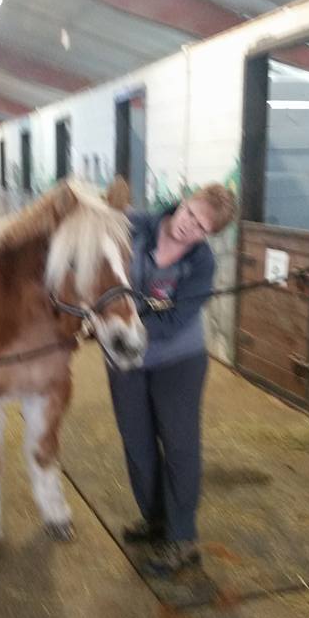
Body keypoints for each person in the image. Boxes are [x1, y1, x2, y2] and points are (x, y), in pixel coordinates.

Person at [108, 182, 237, 579]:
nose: (189, 227)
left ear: (208, 235)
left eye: (201, 228)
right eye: (190, 214)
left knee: (179, 445)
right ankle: (155, 520)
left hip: (178, 360)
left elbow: (176, 319)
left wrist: (121, 323)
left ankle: (182, 539)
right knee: (137, 442)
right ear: (181, 203)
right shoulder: (134, 225)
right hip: (125, 359)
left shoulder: (201, 263)